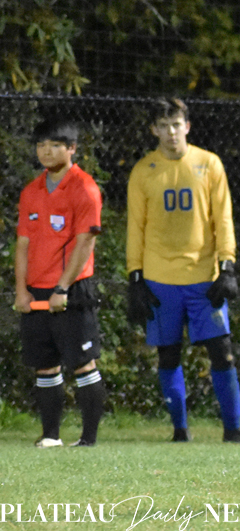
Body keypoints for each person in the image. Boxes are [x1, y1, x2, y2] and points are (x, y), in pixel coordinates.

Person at [126, 97, 240, 444]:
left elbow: (223, 218)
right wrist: (135, 275)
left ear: (187, 126)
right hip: (159, 278)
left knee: (222, 351)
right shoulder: (143, 171)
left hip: (203, 278)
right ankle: (179, 432)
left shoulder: (209, 164)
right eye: (163, 126)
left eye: (176, 124)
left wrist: (227, 265)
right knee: (168, 354)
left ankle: (232, 430)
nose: (171, 132)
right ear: (154, 130)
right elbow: (136, 227)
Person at [14, 118, 106, 448]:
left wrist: (62, 287)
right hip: (36, 291)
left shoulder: (85, 187)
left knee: (83, 363)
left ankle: (88, 440)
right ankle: (50, 436)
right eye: (41, 145)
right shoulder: (31, 191)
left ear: (72, 149)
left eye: (55, 145)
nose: (46, 151)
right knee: (45, 365)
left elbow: (86, 242)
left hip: (71, 289)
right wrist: (21, 290)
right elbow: (23, 243)